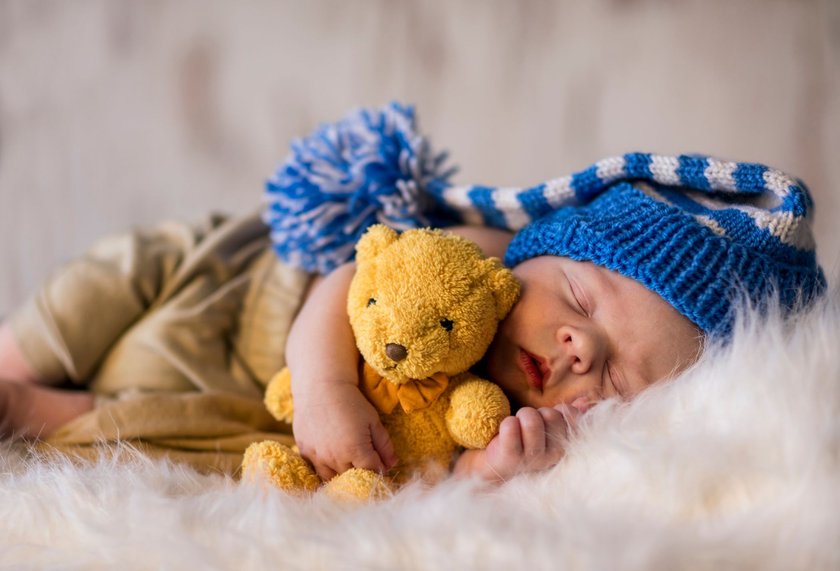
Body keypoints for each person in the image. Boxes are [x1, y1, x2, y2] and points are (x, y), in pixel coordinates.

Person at [0, 106, 825, 483]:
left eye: (612, 378)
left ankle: (54, 414)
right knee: (115, 273)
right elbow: (347, 278)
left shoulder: (510, 413)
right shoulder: (481, 257)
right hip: (235, 291)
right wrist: (325, 386)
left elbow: (433, 481)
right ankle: (18, 358)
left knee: (200, 447)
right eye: (579, 296)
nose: (578, 348)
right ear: (541, 252)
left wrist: (494, 470)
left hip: (250, 396)